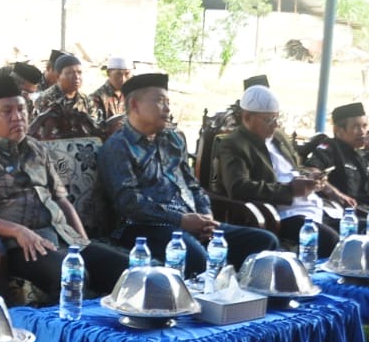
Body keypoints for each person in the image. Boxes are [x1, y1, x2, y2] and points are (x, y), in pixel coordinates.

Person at [0, 76, 128, 300]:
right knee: (72, 276)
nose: (17, 117)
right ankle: (65, 333)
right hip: (21, 247)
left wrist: (82, 240)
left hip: (63, 238)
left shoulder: (36, 148)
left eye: (21, 109)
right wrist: (17, 230)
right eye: (7, 111)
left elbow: (61, 199)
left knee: (128, 270)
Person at [98, 73, 278, 277]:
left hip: (189, 222)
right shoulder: (118, 147)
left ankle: (249, 304)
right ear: (135, 105)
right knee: (198, 258)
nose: (167, 109)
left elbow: (193, 186)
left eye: (168, 102)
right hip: (143, 228)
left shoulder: (172, 140)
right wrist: (181, 219)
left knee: (264, 242)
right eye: (160, 102)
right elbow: (129, 203)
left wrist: (206, 217)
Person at [212, 85, 341, 255]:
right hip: (281, 213)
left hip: (311, 204)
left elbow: (291, 170)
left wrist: (310, 177)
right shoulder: (234, 144)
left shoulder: (278, 136)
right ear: (247, 117)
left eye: (277, 118)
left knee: (354, 229)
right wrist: (289, 190)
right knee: (330, 240)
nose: (275, 125)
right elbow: (238, 187)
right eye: (269, 120)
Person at [305, 102, 369, 213]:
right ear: (338, 130)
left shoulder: (367, 153)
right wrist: (335, 194)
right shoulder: (331, 147)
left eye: (364, 126)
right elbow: (311, 170)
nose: (362, 132)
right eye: (356, 127)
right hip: (353, 216)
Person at [33, 54, 95, 119]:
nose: (77, 77)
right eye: (70, 73)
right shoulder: (45, 100)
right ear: (57, 76)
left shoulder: (86, 100)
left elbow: (95, 125)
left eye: (79, 72)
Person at [91, 57, 132, 121]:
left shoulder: (131, 95)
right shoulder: (96, 98)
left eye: (127, 74)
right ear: (108, 73)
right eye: (118, 74)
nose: (123, 79)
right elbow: (94, 126)